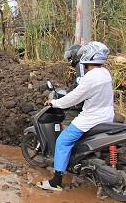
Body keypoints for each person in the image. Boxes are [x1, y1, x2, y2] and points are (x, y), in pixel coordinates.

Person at [37, 41, 114, 191]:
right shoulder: (105, 73)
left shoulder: (90, 77)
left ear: (90, 55)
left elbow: (73, 98)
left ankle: (56, 182)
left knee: (62, 141)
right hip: (107, 117)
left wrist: (54, 103)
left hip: (90, 119)